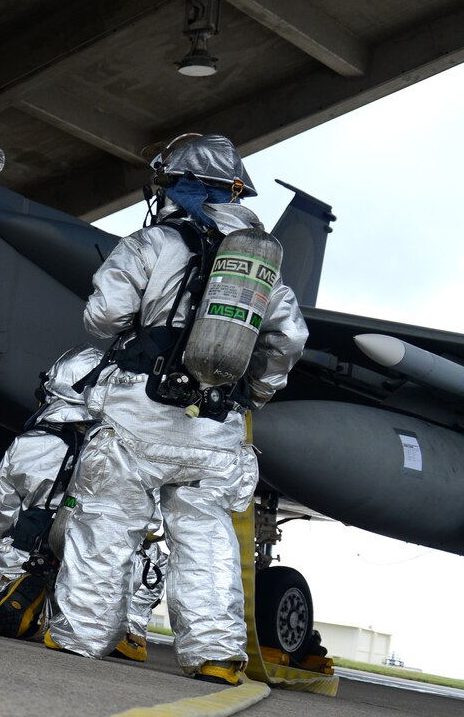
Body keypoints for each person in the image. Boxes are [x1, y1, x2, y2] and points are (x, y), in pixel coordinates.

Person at [47, 134, 309, 684]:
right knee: (207, 536)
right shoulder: (261, 266)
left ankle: (82, 634)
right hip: (216, 429)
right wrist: (251, 394)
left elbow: (104, 317)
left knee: (106, 522)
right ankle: (216, 653)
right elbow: (286, 340)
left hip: (138, 414)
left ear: (173, 185)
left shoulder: (150, 243)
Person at [0, 346, 151, 662]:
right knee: (146, 553)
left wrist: (10, 547)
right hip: (95, 559)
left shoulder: (27, 444)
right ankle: (128, 628)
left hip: (28, 546)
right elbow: (146, 522)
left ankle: (16, 593)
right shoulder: (123, 451)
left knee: (11, 547)